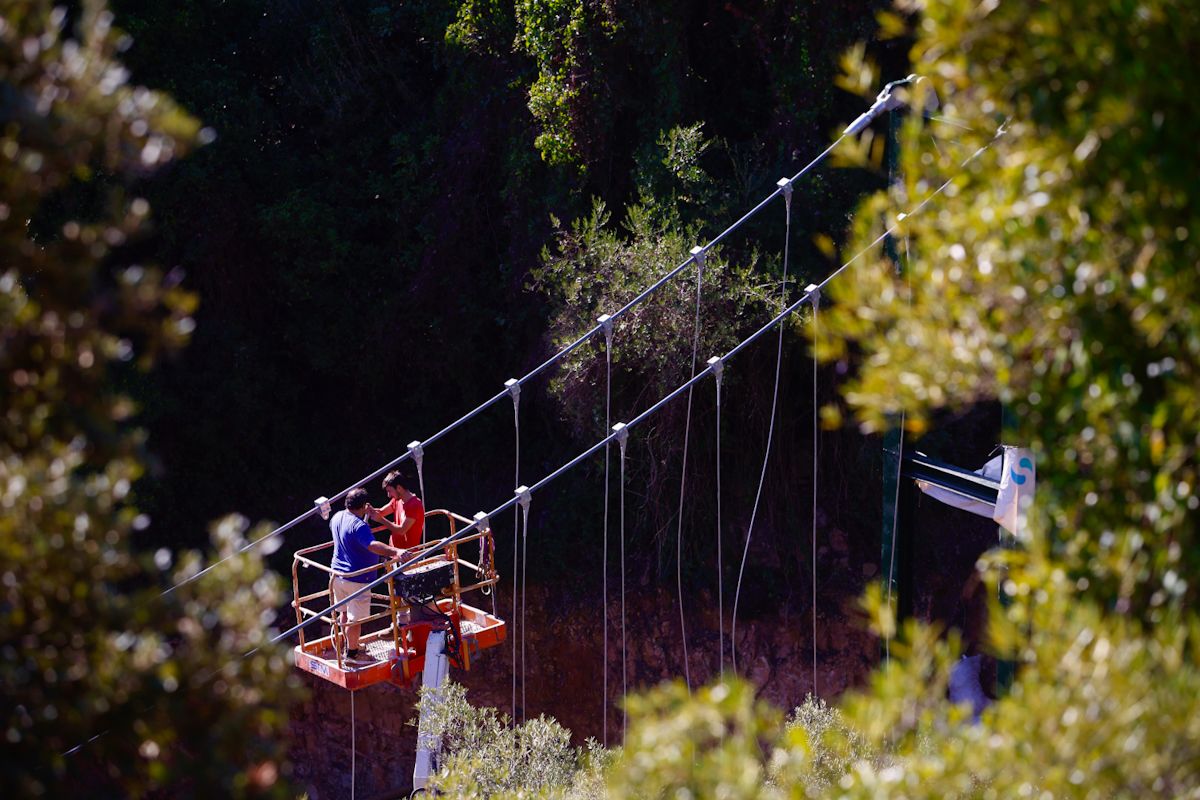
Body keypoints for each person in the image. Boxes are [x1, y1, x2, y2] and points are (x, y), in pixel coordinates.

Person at [330, 487, 403, 664]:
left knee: (345, 614)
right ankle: (353, 655)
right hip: (356, 579)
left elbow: (352, 536)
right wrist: (396, 551)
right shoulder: (359, 526)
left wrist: (364, 517)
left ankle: (349, 645)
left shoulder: (337, 517)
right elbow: (371, 544)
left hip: (337, 576)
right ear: (363, 506)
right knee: (355, 620)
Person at [368, 468, 425, 550]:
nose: (389, 495)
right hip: (394, 552)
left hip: (407, 556)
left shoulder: (414, 505)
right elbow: (381, 512)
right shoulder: (397, 499)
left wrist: (381, 520)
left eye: (390, 491)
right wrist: (369, 510)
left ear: (399, 488)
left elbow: (402, 530)